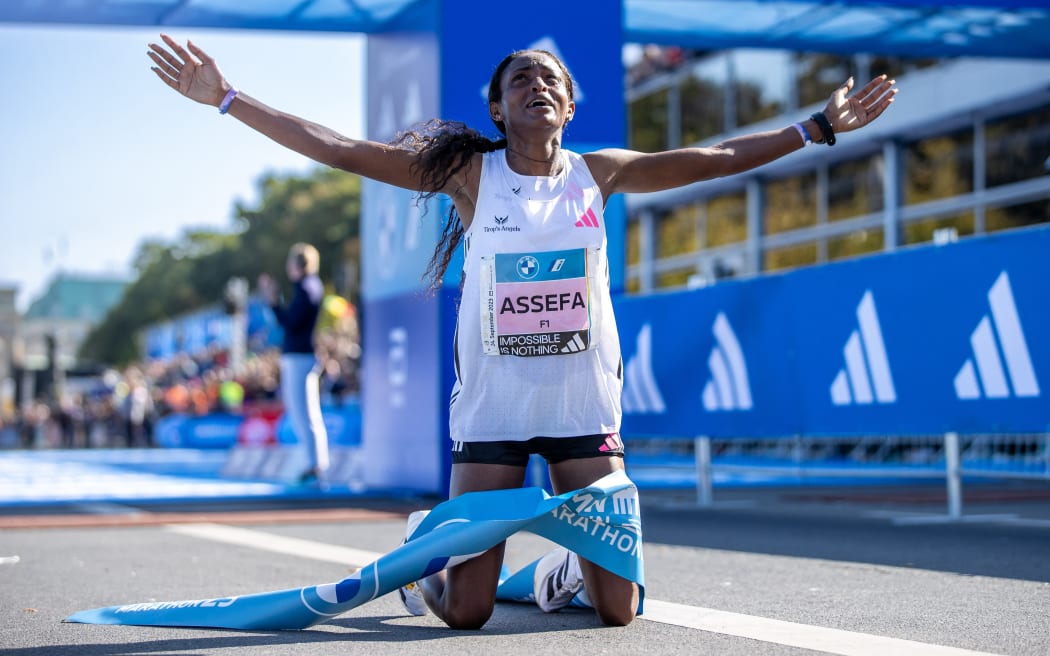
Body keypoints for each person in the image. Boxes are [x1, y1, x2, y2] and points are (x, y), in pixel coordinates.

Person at [147, 34, 896, 629]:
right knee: (466, 612)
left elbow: (716, 157)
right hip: (495, 419)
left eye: (550, 81)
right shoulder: (472, 177)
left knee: (617, 613)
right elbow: (341, 148)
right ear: (499, 111)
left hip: (583, 416)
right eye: (519, 83)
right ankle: (428, 556)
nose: (537, 86)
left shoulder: (597, 174)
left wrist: (819, 125)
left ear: (569, 106)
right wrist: (228, 99)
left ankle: (561, 571)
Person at [257, 243, 330, 485]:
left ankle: (315, 464)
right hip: (298, 356)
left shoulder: (307, 288)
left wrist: (274, 302)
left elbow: (289, 322)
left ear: (299, 265)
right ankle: (315, 462)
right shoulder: (306, 288)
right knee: (303, 412)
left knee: (305, 412)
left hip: (300, 357)